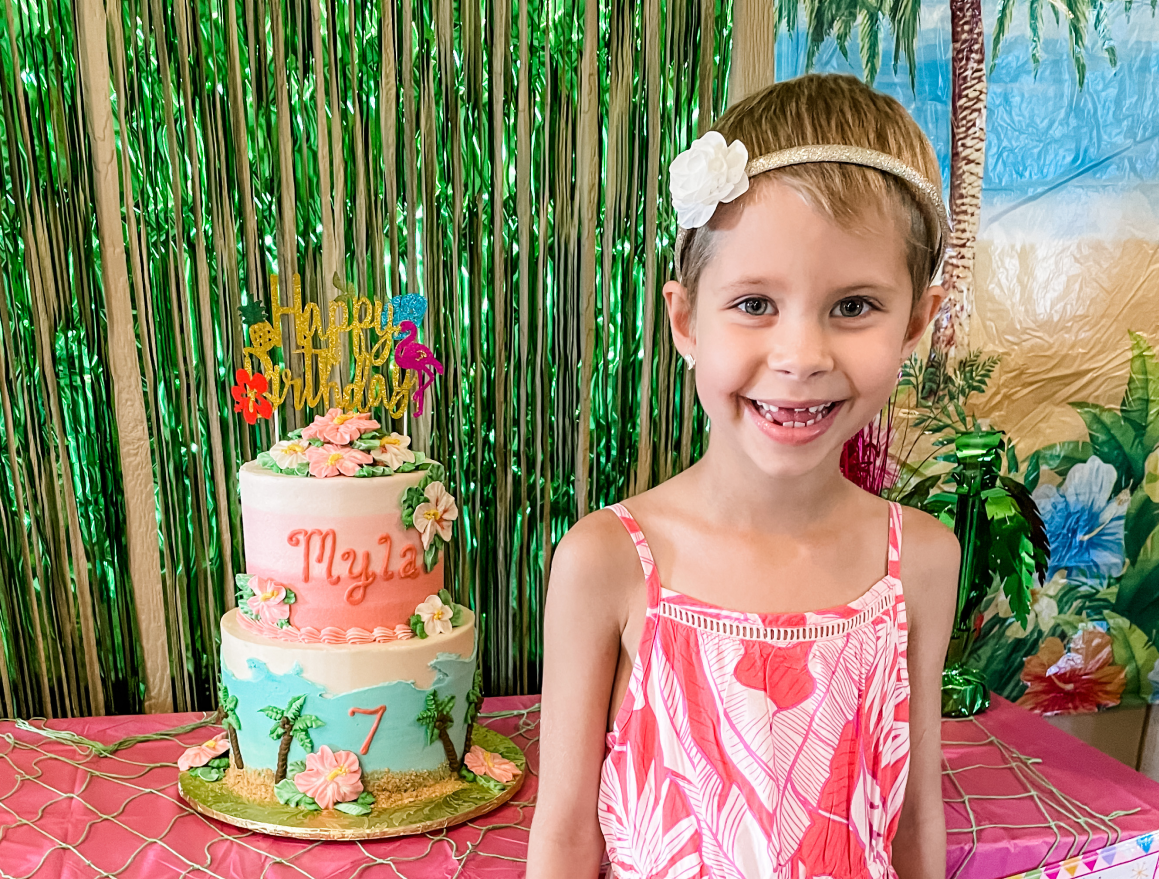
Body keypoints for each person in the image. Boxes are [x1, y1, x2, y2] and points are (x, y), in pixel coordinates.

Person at [527, 73, 960, 879]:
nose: (800, 356)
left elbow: (912, 820)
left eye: (854, 305)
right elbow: (563, 838)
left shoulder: (922, 562)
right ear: (687, 320)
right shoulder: (608, 559)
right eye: (755, 303)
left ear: (914, 322)